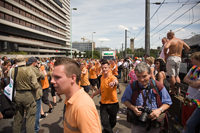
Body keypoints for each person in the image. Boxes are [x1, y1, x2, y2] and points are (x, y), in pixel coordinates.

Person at [50, 58, 101, 133]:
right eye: (53, 77)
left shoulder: (83, 107)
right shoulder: (69, 98)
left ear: (73, 78)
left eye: (57, 77)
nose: (52, 81)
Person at [121, 62, 172, 133]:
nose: (141, 79)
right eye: (138, 76)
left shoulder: (158, 85)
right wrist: (133, 108)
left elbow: (168, 102)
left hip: (154, 122)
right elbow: (125, 99)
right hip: (137, 122)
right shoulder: (132, 86)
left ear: (150, 74)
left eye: (144, 76)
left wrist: (159, 110)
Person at [7, 55, 40, 133]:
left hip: (17, 94)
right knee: (30, 118)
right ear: (24, 61)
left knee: (17, 118)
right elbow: (35, 85)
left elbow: (9, 83)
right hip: (28, 94)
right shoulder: (29, 70)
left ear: (16, 61)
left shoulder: (12, 71)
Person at [91, 60, 119, 133]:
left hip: (113, 103)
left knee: (113, 122)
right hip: (103, 103)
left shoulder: (111, 77)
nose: (104, 69)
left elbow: (115, 80)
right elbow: (101, 89)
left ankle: (107, 131)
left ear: (109, 68)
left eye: (106, 68)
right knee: (104, 122)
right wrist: (93, 94)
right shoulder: (102, 77)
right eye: (103, 68)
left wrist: (114, 83)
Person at [164, 31, 190, 95]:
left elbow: (166, 47)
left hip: (172, 57)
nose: (168, 38)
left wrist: (166, 54)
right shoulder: (181, 41)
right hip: (178, 58)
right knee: (177, 75)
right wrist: (185, 53)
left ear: (170, 35)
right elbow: (188, 48)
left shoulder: (171, 41)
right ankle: (179, 90)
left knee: (172, 76)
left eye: (168, 37)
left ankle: (173, 91)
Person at [181, 52, 200, 133]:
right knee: (185, 117)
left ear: (198, 59)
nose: (190, 60)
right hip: (188, 96)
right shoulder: (193, 68)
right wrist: (193, 83)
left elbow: (197, 85)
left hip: (195, 99)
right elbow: (185, 79)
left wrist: (191, 83)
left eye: (193, 58)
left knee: (191, 121)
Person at [27, 57, 45, 133]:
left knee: (28, 113)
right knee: (36, 112)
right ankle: (36, 129)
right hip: (36, 92)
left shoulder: (24, 69)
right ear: (34, 62)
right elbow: (43, 76)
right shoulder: (34, 69)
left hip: (26, 93)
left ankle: (28, 128)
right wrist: (39, 68)